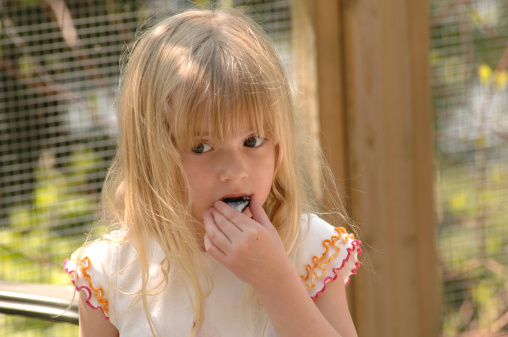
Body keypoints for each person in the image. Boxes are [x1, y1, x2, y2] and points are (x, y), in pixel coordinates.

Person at [64, 7, 362, 337]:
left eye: (253, 140)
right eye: (201, 147)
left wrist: (275, 279)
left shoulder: (309, 249)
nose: (234, 171)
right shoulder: (112, 271)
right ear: (151, 155)